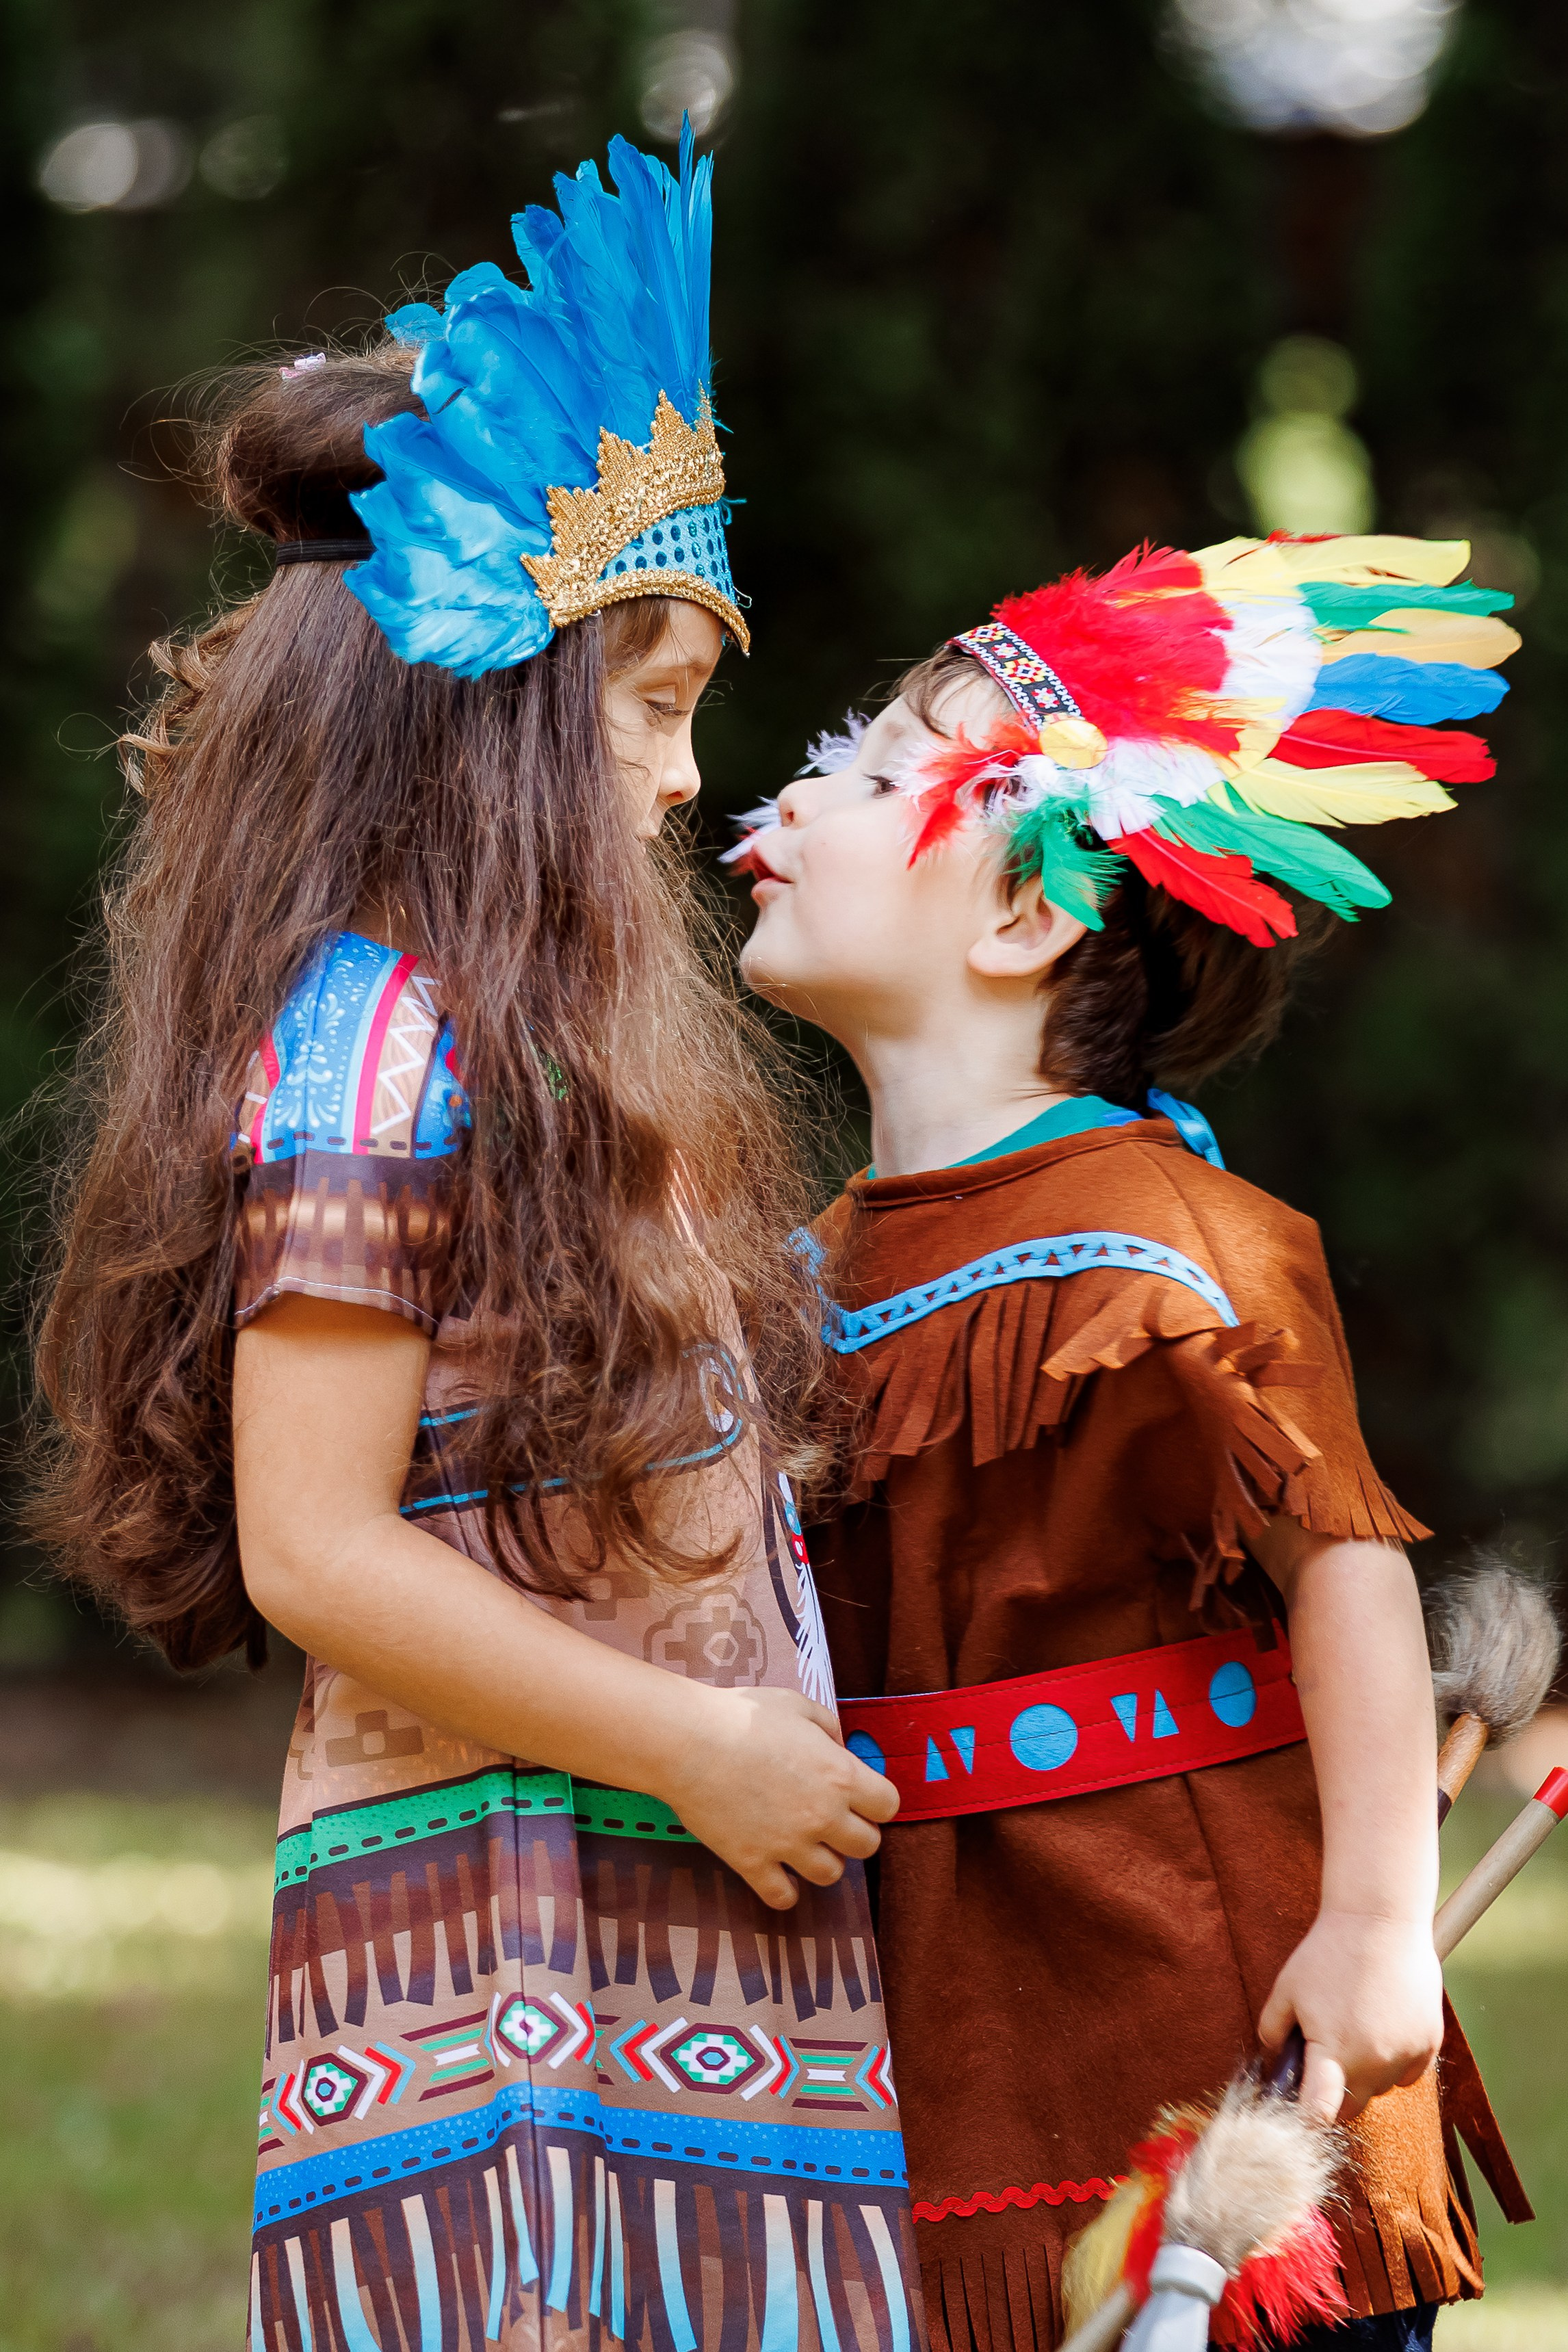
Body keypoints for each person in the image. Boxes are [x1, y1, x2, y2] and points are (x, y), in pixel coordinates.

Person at [34, 130, 922, 2352]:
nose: (673, 786)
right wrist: (693, 1747)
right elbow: (316, 1552)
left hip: (673, 1924)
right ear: (494, 725)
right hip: (499, 1960)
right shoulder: (372, 1042)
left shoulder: (551, 1056)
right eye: (644, 710)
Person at [729, 535, 1530, 2352]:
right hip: (941, 1986)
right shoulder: (812, 1259)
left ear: (1021, 921)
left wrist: (1379, 1928)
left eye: (869, 771)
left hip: (1199, 1987)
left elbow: (1341, 1563)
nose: (793, 783)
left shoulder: (1172, 1234)